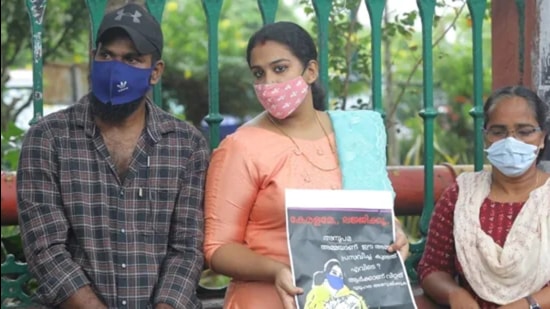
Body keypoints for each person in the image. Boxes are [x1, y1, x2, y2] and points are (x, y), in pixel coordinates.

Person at [203, 21, 409, 309]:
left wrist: (394, 234)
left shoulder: (356, 136)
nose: (268, 84)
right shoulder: (241, 147)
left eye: (280, 69)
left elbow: (372, 218)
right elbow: (218, 249)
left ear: (310, 71)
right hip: (269, 300)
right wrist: (275, 270)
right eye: (258, 74)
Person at [16, 3, 209, 308]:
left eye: (132, 59)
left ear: (155, 71)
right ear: (93, 58)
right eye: (107, 55)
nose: (115, 68)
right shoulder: (48, 138)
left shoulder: (186, 146)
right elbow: (46, 249)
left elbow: (186, 249)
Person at [417, 85, 550, 309]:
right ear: (485, 137)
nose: (511, 141)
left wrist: (528, 305)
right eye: (498, 131)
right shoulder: (461, 196)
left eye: (524, 131)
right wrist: (454, 294)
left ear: (542, 138)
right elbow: (432, 268)